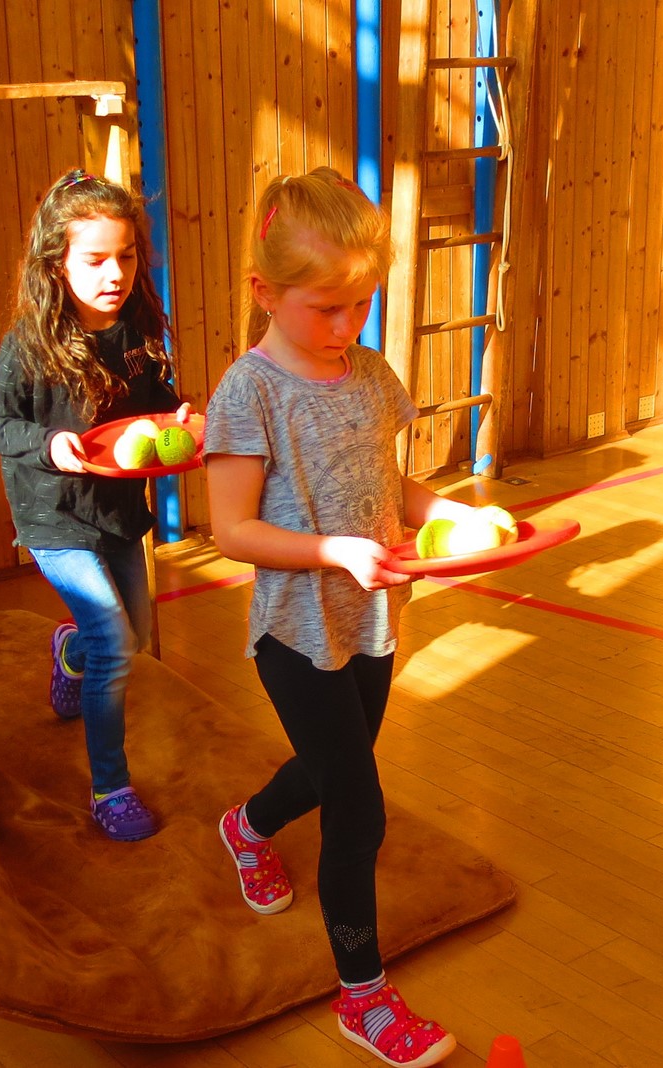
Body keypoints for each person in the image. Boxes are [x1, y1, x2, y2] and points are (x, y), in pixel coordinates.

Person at [203, 167, 480, 1067]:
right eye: (326, 307)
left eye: (361, 304)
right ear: (265, 293)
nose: (347, 325)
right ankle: (362, 998)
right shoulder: (248, 394)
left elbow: (385, 482)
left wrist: (447, 511)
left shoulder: (368, 374)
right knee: (358, 813)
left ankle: (246, 826)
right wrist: (334, 552)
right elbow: (232, 529)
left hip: (373, 622)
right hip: (296, 633)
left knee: (331, 774)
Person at [0, 169, 181, 843]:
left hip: (115, 513)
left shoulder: (139, 330)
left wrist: (181, 420)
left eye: (126, 256)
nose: (114, 273)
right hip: (53, 517)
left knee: (132, 638)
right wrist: (47, 443)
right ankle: (109, 787)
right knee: (115, 645)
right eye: (94, 260)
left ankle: (69, 651)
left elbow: (154, 409)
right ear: (56, 264)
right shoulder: (31, 345)